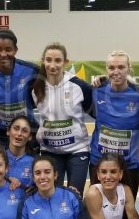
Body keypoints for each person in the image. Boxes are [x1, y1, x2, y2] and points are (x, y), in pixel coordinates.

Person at [31, 42, 93, 193]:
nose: (53, 65)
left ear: (65, 62)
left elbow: (96, 112)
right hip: (49, 152)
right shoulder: (36, 87)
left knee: (75, 195)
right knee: (52, 196)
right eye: (48, 60)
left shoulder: (79, 86)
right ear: (43, 61)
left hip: (77, 150)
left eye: (58, 60)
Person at [89, 50, 139, 198]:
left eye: (121, 67)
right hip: (99, 162)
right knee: (98, 209)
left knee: (126, 214)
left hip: (129, 165)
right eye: (111, 68)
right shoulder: (97, 90)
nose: (116, 72)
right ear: (106, 70)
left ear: (129, 68)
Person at [6, 115, 35, 190]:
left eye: (24, 131)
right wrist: (4, 179)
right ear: (8, 131)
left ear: (30, 137)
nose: (19, 134)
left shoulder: (34, 163)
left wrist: (34, 190)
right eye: (16, 128)